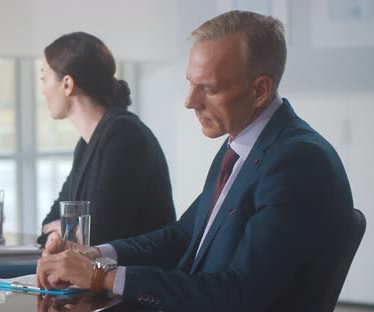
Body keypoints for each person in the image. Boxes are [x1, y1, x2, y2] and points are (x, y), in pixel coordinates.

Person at [36, 11, 354, 311]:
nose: (190, 102)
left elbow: (239, 293)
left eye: (208, 88)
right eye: (191, 83)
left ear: (260, 90)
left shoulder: (298, 161)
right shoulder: (242, 145)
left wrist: (101, 277)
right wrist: (95, 254)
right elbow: (183, 236)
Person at [37, 32, 176, 246]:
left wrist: (64, 231)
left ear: (67, 84)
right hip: (95, 273)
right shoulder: (85, 144)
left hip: (133, 276)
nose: (43, 90)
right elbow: (49, 222)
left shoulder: (125, 135)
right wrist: (66, 231)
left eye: (44, 78)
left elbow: (100, 234)